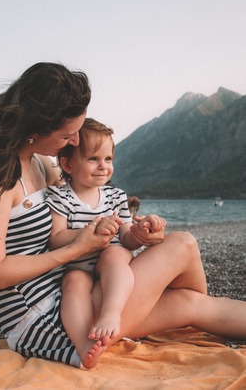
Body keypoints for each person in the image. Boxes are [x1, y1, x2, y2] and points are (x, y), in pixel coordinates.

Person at [0, 62, 246, 371]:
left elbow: (80, 204)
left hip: (77, 297)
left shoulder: (40, 165)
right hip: (46, 320)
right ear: (35, 128)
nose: (74, 142)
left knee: (186, 291)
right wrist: (76, 249)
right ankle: (170, 302)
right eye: (68, 135)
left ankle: (174, 302)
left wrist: (136, 234)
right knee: (183, 252)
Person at [45, 117, 166, 366]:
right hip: (77, 265)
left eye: (108, 159)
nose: (103, 166)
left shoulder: (115, 196)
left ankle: (111, 313)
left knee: (117, 254)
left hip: (109, 262)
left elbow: (126, 236)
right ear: (67, 165)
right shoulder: (60, 197)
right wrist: (90, 232)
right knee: (73, 282)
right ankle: (82, 343)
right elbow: (56, 239)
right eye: (93, 159)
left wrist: (141, 231)